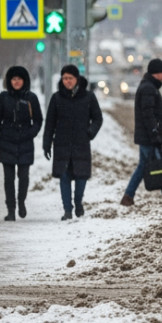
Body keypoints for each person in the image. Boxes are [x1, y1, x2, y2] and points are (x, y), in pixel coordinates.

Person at [121, 58, 162, 209]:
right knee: (161, 165)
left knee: (144, 166)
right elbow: (148, 115)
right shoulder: (149, 89)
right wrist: (154, 134)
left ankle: (128, 197)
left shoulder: (149, 87)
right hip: (149, 137)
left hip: (147, 136)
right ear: (156, 73)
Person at [44, 65, 103, 220]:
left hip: (81, 144)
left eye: (70, 78)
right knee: (64, 176)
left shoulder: (88, 97)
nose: (67, 81)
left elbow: (98, 118)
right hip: (62, 145)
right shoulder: (57, 98)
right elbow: (50, 123)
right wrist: (46, 143)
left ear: (77, 79)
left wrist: (89, 133)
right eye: (64, 78)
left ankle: (78, 202)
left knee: (81, 177)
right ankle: (67, 210)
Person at [0, 66, 43, 221]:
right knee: (9, 179)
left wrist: (30, 133)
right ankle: (11, 209)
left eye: (19, 79)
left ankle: (21, 201)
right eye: (13, 79)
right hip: (7, 142)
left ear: (24, 80)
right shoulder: (3, 97)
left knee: (24, 177)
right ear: (9, 81)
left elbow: (38, 120)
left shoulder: (31, 98)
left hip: (25, 143)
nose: (16, 82)